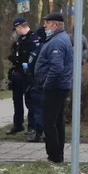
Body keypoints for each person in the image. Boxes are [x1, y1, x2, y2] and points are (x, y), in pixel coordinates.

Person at [34, 12, 73, 163]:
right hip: (58, 87)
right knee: (57, 122)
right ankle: (58, 155)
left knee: (49, 122)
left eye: (47, 23)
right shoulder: (58, 38)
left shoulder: (57, 41)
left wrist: (46, 84)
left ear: (56, 25)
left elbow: (57, 68)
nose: (44, 26)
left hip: (54, 88)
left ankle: (54, 156)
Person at [7, 16, 40, 136]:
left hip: (28, 74)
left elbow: (34, 57)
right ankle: (18, 124)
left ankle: (32, 126)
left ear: (20, 27)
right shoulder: (20, 40)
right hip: (18, 74)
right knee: (17, 100)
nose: (15, 32)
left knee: (30, 101)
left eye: (16, 29)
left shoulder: (33, 38)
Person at [24, 22, 46, 142]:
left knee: (38, 110)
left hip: (37, 84)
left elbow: (33, 66)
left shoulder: (39, 50)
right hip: (40, 83)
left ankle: (39, 133)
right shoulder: (46, 47)